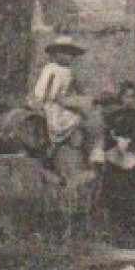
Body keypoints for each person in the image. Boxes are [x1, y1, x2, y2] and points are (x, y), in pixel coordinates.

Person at [29, 35, 101, 238]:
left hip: (66, 105)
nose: (66, 57)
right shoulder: (50, 70)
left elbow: (77, 92)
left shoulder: (70, 72)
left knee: (90, 114)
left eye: (70, 53)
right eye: (63, 52)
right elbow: (42, 94)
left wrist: (80, 99)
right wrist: (62, 100)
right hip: (55, 108)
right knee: (78, 119)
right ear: (55, 53)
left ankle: (94, 152)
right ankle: (65, 141)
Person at [97, 81, 135, 241]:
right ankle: (119, 229)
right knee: (118, 192)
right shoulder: (112, 117)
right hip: (118, 157)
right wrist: (116, 143)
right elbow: (107, 136)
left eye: (132, 97)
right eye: (126, 96)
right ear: (121, 98)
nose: (129, 100)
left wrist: (131, 144)